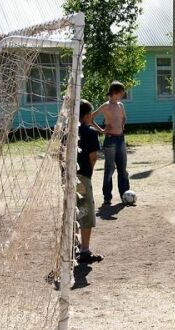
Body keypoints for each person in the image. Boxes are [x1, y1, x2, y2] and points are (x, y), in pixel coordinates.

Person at [91, 81, 131, 206]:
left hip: (120, 139)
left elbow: (124, 117)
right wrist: (102, 130)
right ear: (114, 93)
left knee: (122, 169)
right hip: (110, 140)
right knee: (109, 169)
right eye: (121, 92)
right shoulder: (106, 105)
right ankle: (107, 197)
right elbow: (91, 118)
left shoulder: (121, 105)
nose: (123, 94)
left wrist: (123, 122)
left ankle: (125, 194)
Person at [76, 100, 104, 264]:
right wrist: (88, 173)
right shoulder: (90, 132)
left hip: (67, 177)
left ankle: (72, 246)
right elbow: (93, 157)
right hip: (82, 177)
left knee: (71, 211)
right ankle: (84, 251)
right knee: (85, 211)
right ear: (87, 115)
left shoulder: (68, 131)